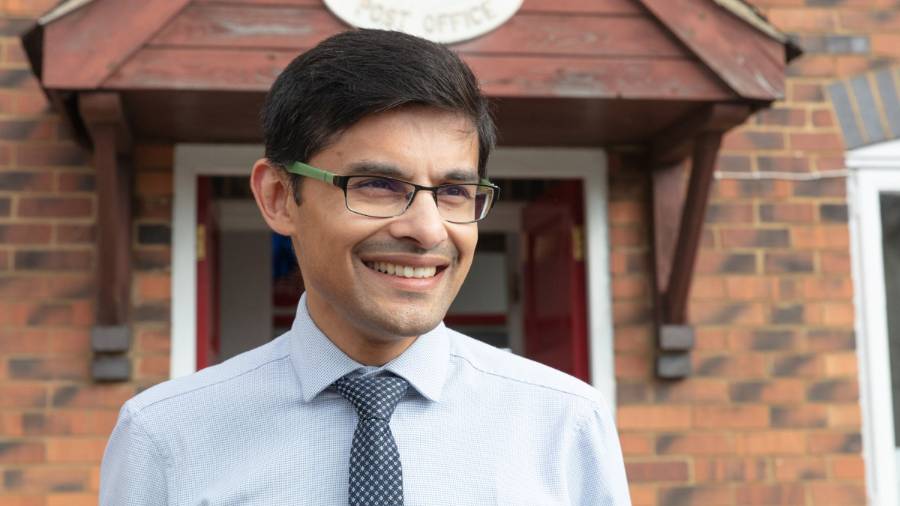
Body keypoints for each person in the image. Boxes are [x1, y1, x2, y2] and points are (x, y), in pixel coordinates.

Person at [100, 29, 631, 505]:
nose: (426, 230)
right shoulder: (164, 435)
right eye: (378, 185)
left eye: (453, 191)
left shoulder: (566, 423)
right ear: (280, 196)